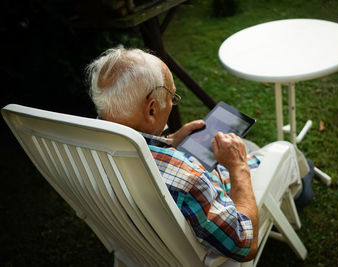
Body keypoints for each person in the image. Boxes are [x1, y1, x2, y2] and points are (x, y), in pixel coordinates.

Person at [86, 46, 313, 262]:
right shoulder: (186, 176)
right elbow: (244, 244)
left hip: (142, 240)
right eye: (172, 97)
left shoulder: (85, 149)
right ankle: (302, 186)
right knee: (283, 150)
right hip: (202, 252)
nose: (173, 104)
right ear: (152, 109)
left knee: (247, 146)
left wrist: (169, 141)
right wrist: (238, 167)